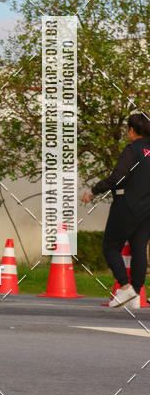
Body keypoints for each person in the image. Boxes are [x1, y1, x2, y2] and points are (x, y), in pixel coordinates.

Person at [82, 112, 150, 311]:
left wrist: (94, 190)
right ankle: (136, 296)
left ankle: (125, 287)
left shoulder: (132, 150)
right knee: (139, 250)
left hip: (127, 205)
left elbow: (117, 177)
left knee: (110, 246)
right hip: (147, 211)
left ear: (131, 130)